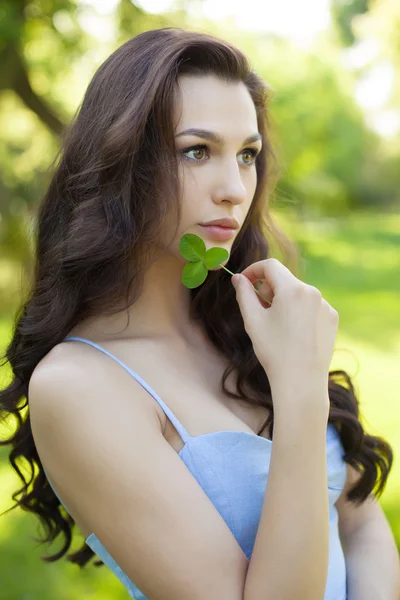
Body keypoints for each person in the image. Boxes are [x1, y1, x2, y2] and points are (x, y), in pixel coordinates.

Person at [0, 27, 398, 600]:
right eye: (196, 151)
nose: (235, 188)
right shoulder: (80, 386)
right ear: (121, 165)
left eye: (247, 155)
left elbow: (359, 523)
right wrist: (300, 386)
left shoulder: (248, 329)